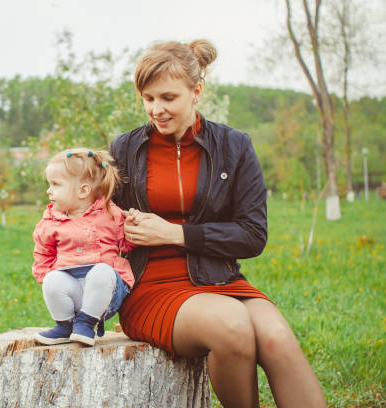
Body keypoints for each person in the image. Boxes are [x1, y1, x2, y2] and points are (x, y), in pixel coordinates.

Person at [109, 40, 327, 407]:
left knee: (276, 336)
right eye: (148, 99)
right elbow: (101, 226)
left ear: (196, 91)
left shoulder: (235, 146)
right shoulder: (125, 149)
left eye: (168, 98)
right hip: (152, 287)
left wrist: (177, 234)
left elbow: (253, 235)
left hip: (219, 279)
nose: (156, 110)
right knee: (233, 326)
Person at [32, 148, 135, 346]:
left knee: (102, 272)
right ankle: (65, 325)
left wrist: (132, 226)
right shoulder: (51, 221)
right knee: (53, 279)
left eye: (55, 184)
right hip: (74, 291)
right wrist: (45, 276)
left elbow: (127, 243)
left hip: (106, 293)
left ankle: (87, 322)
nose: (48, 190)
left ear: (83, 191)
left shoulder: (109, 213)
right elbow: (44, 252)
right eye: (49, 184)